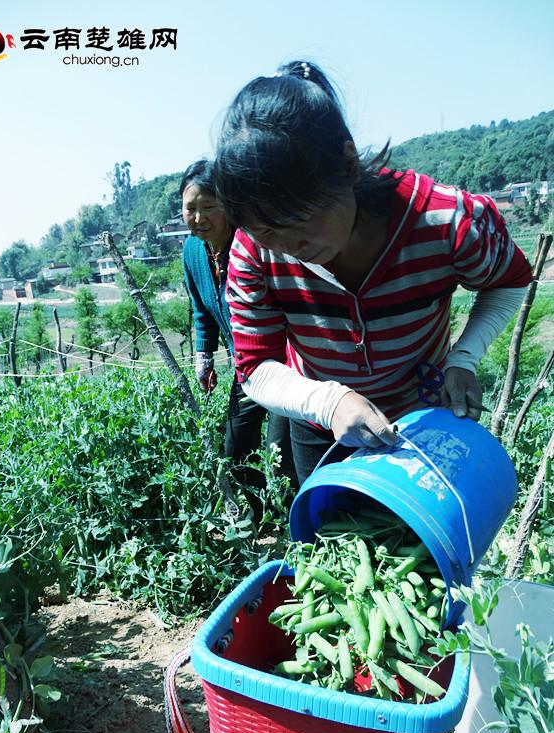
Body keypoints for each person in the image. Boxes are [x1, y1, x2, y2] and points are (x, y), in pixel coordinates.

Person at [213, 60, 532, 486]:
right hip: (322, 424)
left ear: (346, 165)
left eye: (303, 219)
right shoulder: (254, 250)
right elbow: (255, 365)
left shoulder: (442, 222)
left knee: (424, 538)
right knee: (328, 539)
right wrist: (328, 402)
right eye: (269, 230)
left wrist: (464, 359)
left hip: (421, 416)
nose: (292, 246)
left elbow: (509, 280)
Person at [180, 159, 296, 505]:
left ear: (229, 204)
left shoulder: (253, 243)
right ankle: (254, 518)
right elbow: (202, 310)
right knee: (236, 447)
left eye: (208, 207)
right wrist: (204, 356)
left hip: (287, 363)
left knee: (280, 452)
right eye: (191, 209)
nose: (199, 218)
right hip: (248, 365)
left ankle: (294, 524)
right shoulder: (191, 252)